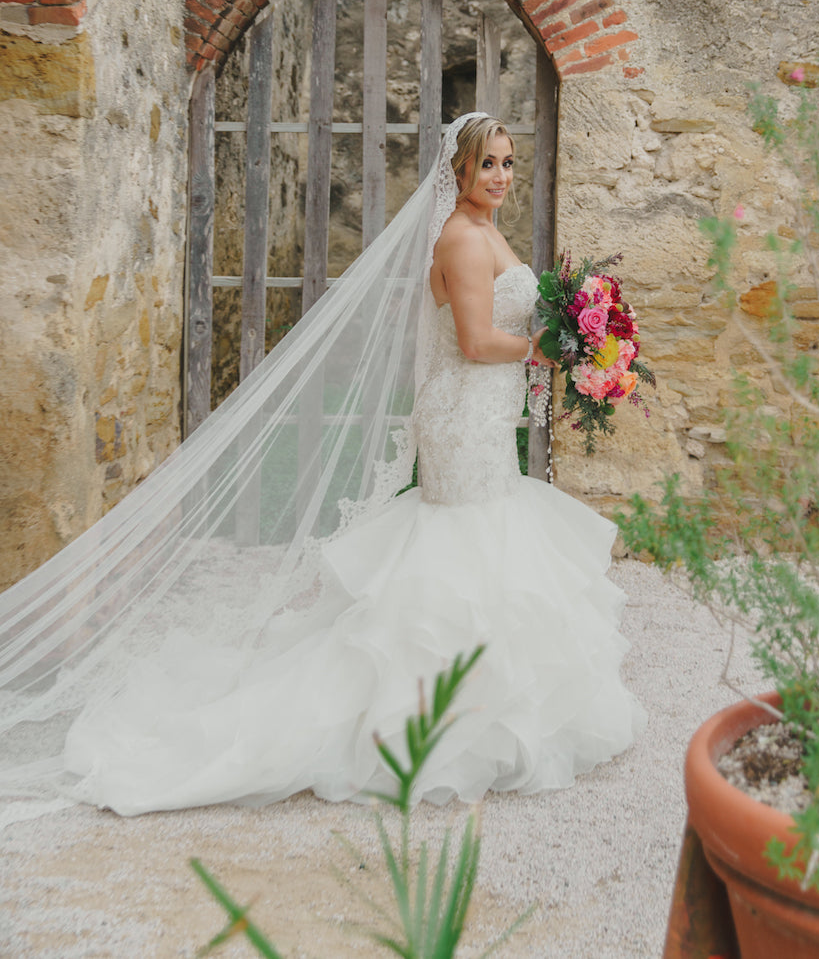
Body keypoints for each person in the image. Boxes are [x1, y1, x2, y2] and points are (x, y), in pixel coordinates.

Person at [1, 114, 645, 819]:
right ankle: (428, 718)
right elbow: (473, 338)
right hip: (462, 418)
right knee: (464, 540)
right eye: (486, 163)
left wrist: (576, 328)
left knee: (485, 536)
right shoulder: (462, 237)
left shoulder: (487, 228)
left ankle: (481, 705)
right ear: (457, 171)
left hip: (483, 415)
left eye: (508, 162)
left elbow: (504, 318)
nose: (500, 176)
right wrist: (546, 351)